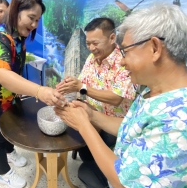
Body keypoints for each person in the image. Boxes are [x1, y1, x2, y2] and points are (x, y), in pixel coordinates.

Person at [54, 3, 187, 188]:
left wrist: (84, 125)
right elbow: (129, 127)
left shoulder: (185, 120)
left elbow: (127, 186)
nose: (122, 61)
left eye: (126, 51)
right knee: (87, 172)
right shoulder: (153, 93)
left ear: (155, 47)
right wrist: (91, 115)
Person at [0, 0, 68, 188]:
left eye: (37, 20)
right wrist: (40, 91)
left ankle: (10, 151)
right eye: (31, 17)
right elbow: (1, 74)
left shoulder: (18, 36)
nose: (34, 24)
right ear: (16, 10)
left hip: (6, 98)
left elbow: (13, 67)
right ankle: (2, 172)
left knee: (7, 130)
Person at [56, 17, 135, 161]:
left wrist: (81, 87)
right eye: (88, 43)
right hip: (90, 114)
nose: (91, 48)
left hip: (112, 124)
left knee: (88, 154)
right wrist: (69, 86)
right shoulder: (92, 58)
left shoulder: (124, 61)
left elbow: (116, 98)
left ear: (112, 38)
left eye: (95, 43)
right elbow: (82, 83)